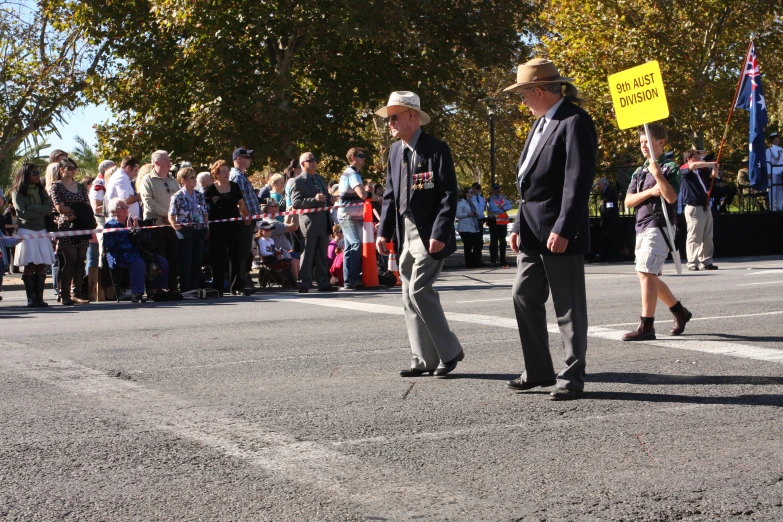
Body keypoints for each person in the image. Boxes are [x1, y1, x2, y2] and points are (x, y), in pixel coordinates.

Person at [502, 58, 596, 400]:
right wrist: (516, 223)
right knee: (523, 295)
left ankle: (572, 377)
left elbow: (577, 181)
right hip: (530, 230)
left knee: (568, 306)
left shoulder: (575, 122)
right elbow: (529, 185)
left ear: (539, 91)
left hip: (559, 231)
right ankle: (539, 370)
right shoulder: (541, 123)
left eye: (523, 95)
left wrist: (565, 227)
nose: (522, 102)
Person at [376, 90, 464, 377]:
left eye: (394, 117)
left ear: (412, 116)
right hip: (405, 233)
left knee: (419, 290)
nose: (389, 122)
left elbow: (449, 195)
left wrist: (440, 232)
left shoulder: (436, 149)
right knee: (407, 296)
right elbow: (390, 196)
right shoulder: (395, 151)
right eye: (388, 117)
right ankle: (422, 359)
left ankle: (450, 352)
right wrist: (383, 231)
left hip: (429, 234)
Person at [623, 123, 692, 341]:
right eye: (641, 142)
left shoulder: (670, 166)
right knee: (648, 275)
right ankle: (679, 311)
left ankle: (647, 325)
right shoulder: (639, 170)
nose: (643, 146)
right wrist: (650, 191)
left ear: (661, 142)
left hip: (660, 225)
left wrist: (658, 175)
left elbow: (671, 197)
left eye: (647, 142)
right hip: (641, 226)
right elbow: (628, 202)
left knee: (646, 273)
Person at [103, 198, 170, 303]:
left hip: (137, 252)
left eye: (126, 207)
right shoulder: (110, 225)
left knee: (161, 261)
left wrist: (138, 229)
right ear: (113, 211)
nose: (125, 209)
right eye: (122, 208)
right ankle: (136, 294)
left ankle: (156, 291)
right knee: (138, 262)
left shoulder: (132, 221)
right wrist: (128, 231)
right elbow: (113, 244)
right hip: (119, 255)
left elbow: (145, 240)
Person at [291, 152, 337, 293]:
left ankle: (323, 282)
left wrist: (330, 199)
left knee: (322, 254)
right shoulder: (297, 181)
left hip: (323, 221)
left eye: (314, 159)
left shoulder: (320, 179)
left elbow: (325, 197)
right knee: (308, 254)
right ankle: (304, 283)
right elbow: (296, 203)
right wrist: (314, 199)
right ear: (302, 163)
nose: (313, 162)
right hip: (309, 223)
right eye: (310, 160)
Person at [11, 163, 56, 307]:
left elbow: (49, 209)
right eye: (34, 173)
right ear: (25, 175)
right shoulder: (17, 192)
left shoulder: (40, 190)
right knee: (30, 265)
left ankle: (40, 298)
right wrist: (39, 210)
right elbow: (22, 213)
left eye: (38, 172)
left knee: (41, 264)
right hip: (27, 231)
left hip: (42, 230)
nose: (37, 175)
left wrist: (32, 208)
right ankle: (31, 299)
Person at [204, 159, 251, 296]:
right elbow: (205, 211)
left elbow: (241, 203)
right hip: (217, 228)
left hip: (234, 227)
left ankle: (237, 287)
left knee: (236, 256)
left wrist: (246, 216)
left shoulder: (235, 186)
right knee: (218, 257)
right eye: (223, 171)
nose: (227, 173)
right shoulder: (209, 190)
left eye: (228, 171)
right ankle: (218, 287)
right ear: (216, 174)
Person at [50, 158, 93, 305]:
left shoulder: (81, 186)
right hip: (66, 226)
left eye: (74, 168)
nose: (73, 170)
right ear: (61, 170)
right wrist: (77, 210)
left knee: (81, 261)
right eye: (69, 168)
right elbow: (60, 208)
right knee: (70, 261)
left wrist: (77, 212)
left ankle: (77, 293)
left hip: (81, 224)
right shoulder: (57, 187)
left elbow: (87, 206)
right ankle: (65, 294)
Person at [140, 150, 181, 292]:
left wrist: (174, 216)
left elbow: (179, 199)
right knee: (156, 258)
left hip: (171, 225)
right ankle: (155, 289)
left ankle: (172, 287)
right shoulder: (148, 180)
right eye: (166, 160)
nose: (169, 163)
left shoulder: (172, 180)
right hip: (155, 225)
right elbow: (148, 201)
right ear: (156, 162)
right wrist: (167, 213)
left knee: (173, 256)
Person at [337, 147, 373, 290]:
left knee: (350, 247)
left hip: (349, 216)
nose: (364, 159)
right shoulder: (352, 174)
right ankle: (354, 279)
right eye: (361, 156)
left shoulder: (350, 173)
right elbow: (362, 195)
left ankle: (348, 280)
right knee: (356, 244)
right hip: (348, 216)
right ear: (353, 158)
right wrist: (376, 197)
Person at [169, 166, 209, 292]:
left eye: (194, 177)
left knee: (197, 259)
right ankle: (186, 289)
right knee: (186, 260)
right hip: (185, 230)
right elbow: (171, 214)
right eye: (191, 177)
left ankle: (195, 287)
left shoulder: (199, 195)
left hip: (199, 229)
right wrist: (175, 225)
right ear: (183, 180)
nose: (194, 180)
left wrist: (206, 226)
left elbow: (205, 212)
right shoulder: (177, 196)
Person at [680, 150, 718, 271]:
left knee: (707, 235)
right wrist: (711, 163)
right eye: (696, 158)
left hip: (705, 205)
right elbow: (693, 166)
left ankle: (706, 261)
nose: (700, 160)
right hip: (693, 206)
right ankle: (692, 261)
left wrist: (714, 170)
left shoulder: (700, 172)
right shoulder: (684, 169)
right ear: (689, 159)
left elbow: (712, 177)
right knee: (694, 235)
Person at [229, 147, 260, 292]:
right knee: (241, 253)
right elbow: (238, 200)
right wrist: (246, 216)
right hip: (244, 221)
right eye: (247, 157)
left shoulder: (242, 175)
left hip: (250, 220)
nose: (250, 159)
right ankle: (239, 283)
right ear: (238, 159)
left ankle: (242, 280)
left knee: (246, 253)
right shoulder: (236, 176)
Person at [486, 183, 513, 267]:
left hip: (503, 222)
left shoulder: (503, 198)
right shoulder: (490, 199)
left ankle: (503, 260)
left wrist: (501, 208)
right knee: (494, 241)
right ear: (492, 190)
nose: (497, 190)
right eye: (495, 189)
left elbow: (510, 206)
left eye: (498, 189)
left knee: (503, 242)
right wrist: (502, 208)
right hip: (494, 222)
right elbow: (492, 208)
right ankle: (493, 260)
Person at [456, 186, 482, 268]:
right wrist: (467, 214)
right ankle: (469, 263)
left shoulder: (474, 202)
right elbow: (458, 215)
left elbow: (477, 212)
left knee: (476, 245)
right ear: (466, 193)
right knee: (468, 246)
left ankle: (476, 262)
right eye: (471, 192)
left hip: (474, 226)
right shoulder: (461, 203)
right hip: (465, 227)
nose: (472, 194)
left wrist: (476, 214)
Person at [596, 177, 620, 262]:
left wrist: (603, 209)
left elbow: (610, 206)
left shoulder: (608, 192)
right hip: (609, 219)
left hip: (609, 220)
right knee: (608, 238)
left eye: (599, 184)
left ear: (604, 184)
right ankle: (608, 255)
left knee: (609, 238)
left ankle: (610, 256)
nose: (598, 187)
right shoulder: (606, 191)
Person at [766, 132, 782, 211]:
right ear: (772, 140)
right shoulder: (769, 150)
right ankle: (772, 207)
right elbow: (768, 162)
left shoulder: (781, 149)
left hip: (781, 171)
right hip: (773, 171)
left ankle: (780, 205)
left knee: (780, 189)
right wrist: (768, 172)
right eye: (777, 138)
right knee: (772, 189)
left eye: (778, 138)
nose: (778, 139)